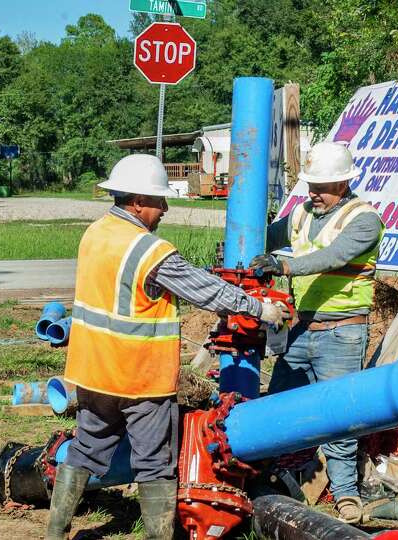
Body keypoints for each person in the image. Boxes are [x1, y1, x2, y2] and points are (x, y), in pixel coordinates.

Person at [45, 154, 288, 540]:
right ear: (138, 201)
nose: (166, 209)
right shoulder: (148, 251)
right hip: (140, 377)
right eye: (160, 201)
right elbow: (206, 291)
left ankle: (54, 533)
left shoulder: (95, 233)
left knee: (85, 449)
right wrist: (260, 308)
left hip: (94, 371)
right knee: (155, 463)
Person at [249, 142, 383, 524]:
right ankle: (263, 479)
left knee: (339, 415)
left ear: (344, 182)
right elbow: (267, 237)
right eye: (310, 184)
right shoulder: (302, 214)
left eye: (322, 186)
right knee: (276, 406)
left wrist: (284, 266)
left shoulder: (364, 219)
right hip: (302, 329)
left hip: (342, 333)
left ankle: (345, 495)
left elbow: (333, 257)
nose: (313, 193)